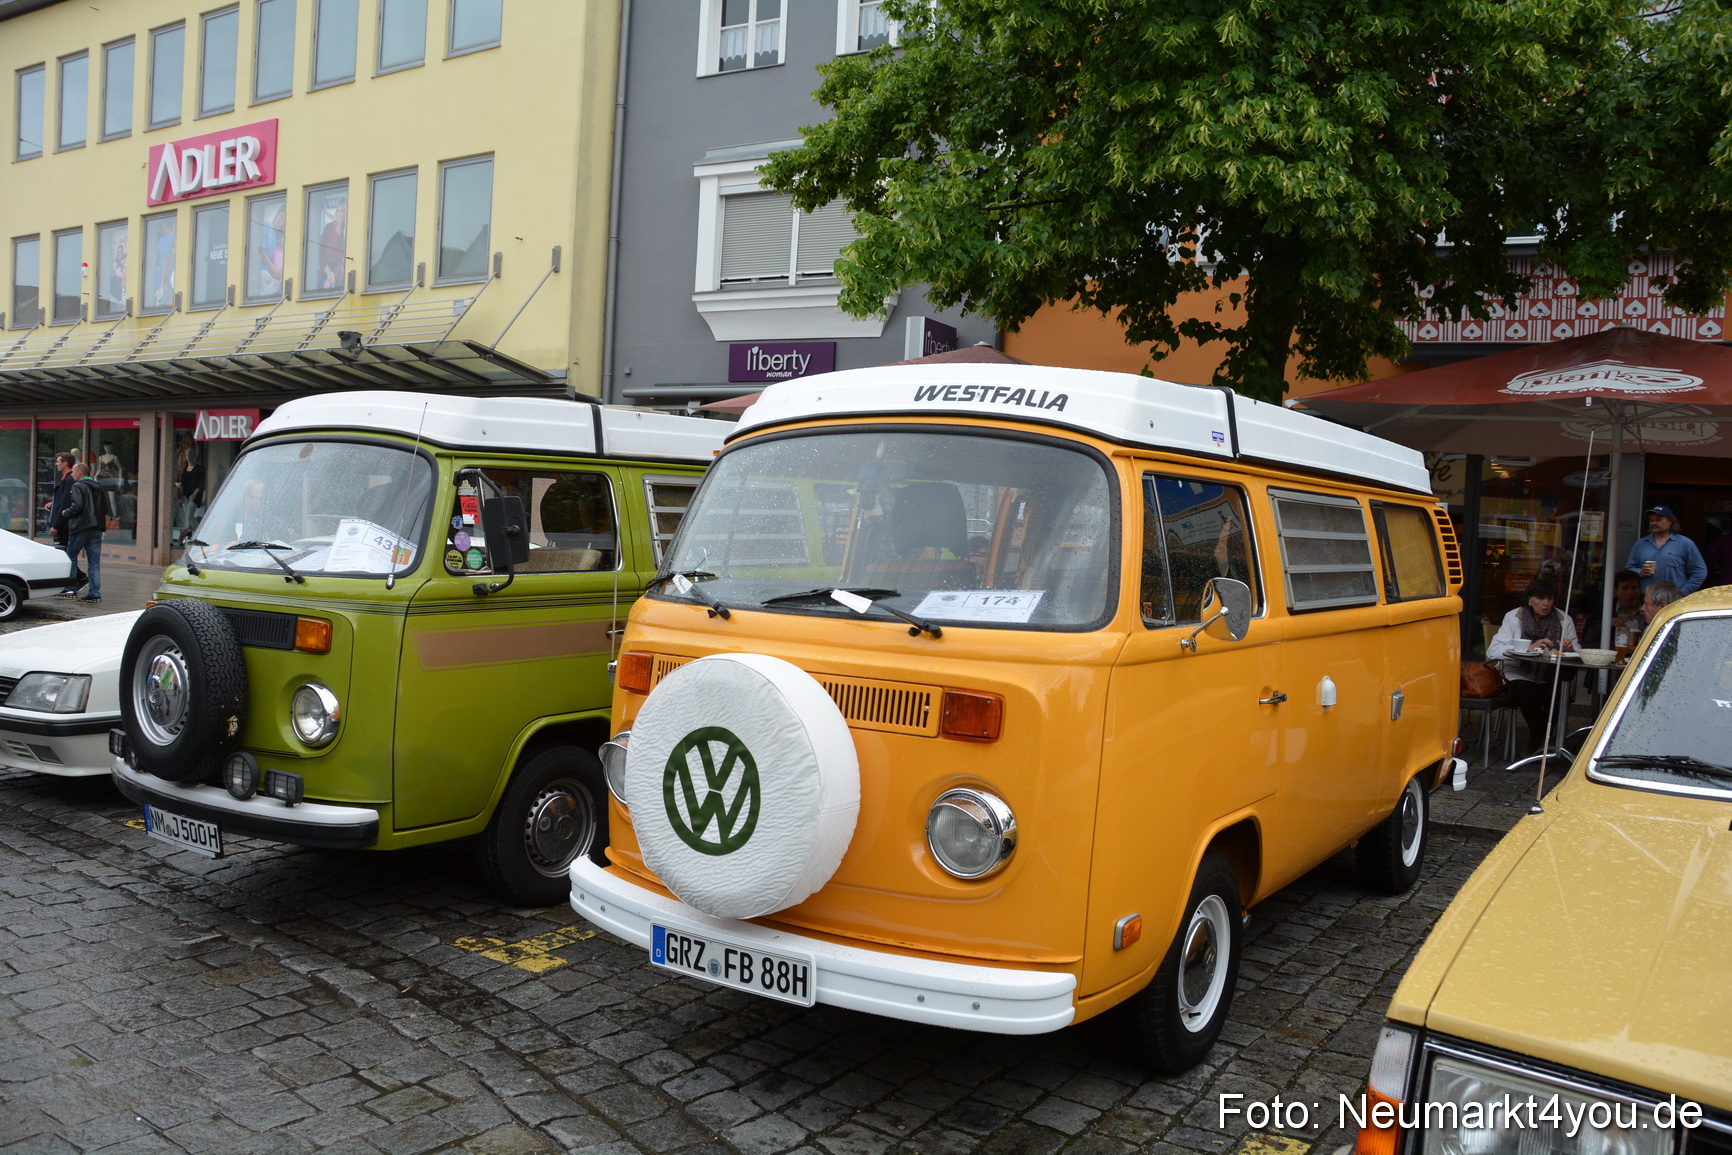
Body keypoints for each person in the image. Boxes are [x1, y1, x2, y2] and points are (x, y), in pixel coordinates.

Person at [1487, 577, 1580, 754]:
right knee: (1526, 691)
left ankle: (1539, 738)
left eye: (1550, 599)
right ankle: (1540, 739)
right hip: (1517, 672)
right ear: (1529, 599)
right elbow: (1493, 651)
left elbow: (1578, 652)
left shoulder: (1563, 619)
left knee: (1560, 694)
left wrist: (1569, 648)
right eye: (1540, 598)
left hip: (1548, 673)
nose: (1546, 603)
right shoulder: (1514, 617)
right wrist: (1527, 647)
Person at [1624, 505, 1706, 594]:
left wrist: (1683, 592)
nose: (1654, 523)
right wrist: (1639, 572)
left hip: (1674, 599)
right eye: (1651, 520)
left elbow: (1700, 572)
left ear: (1670, 522)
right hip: (1647, 599)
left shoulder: (1685, 544)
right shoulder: (1640, 544)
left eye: (1659, 520)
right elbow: (1628, 569)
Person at [60, 463, 103, 603]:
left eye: (73, 472)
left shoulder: (78, 486)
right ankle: (95, 593)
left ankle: (70, 588)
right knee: (94, 563)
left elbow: (77, 506)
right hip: (96, 528)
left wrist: (66, 513)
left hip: (81, 527)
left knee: (71, 557)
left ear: (79, 473)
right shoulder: (98, 486)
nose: (71, 475)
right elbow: (105, 508)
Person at [46, 451, 84, 595]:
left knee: (66, 555)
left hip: (66, 525)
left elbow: (66, 504)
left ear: (65, 463)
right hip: (64, 524)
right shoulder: (65, 480)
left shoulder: (69, 480)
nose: (56, 463)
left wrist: (56, 525)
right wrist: (52, 503)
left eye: (58, 461)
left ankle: (74, 582)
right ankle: (77, 579)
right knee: (66, 554)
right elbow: (61, 502)